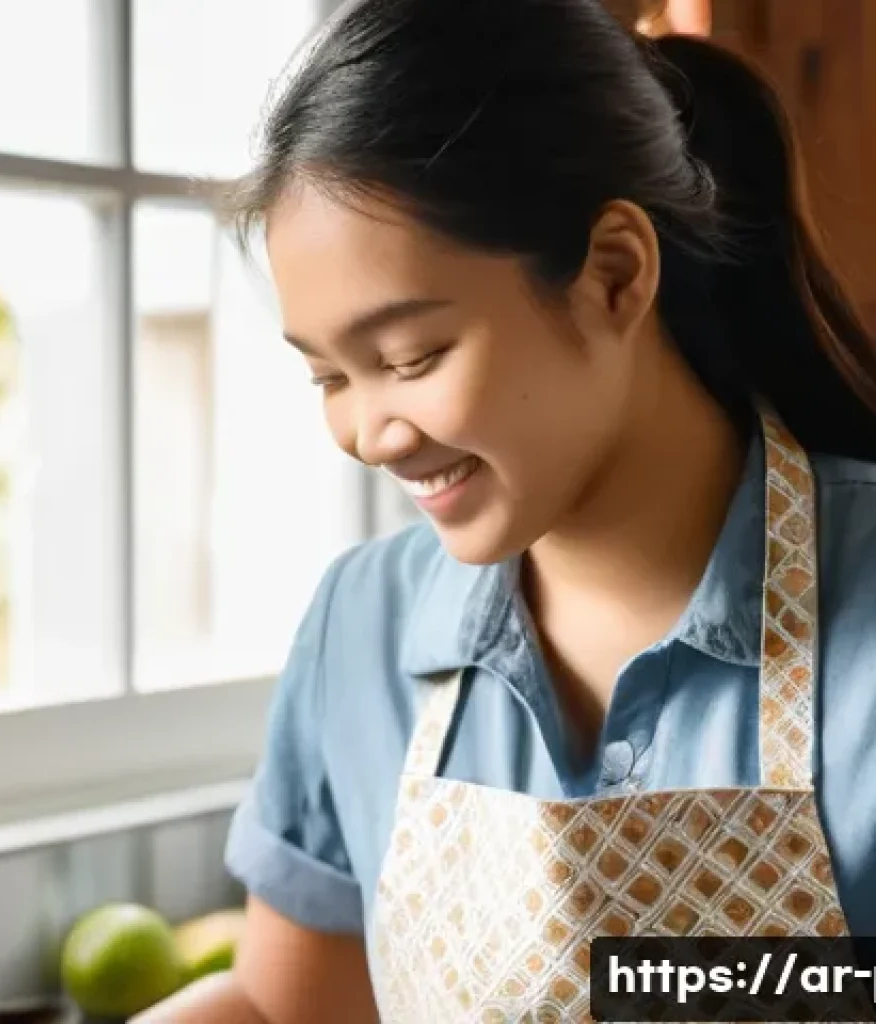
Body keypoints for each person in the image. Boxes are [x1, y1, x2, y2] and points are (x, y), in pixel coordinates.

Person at [134, 0, 876, 1020]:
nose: (372, 433)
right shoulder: (364, 621)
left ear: (613, 274)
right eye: (329, 378)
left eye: (409, 357)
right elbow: (282, 1005)